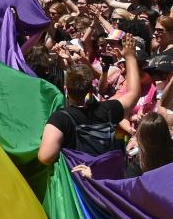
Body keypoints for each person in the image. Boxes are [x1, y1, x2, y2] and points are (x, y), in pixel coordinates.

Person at [38, 34, 141, 163]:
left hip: (78, 181)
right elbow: (134, 93)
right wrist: (130, 57)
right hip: (105, 178)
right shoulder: (107, 109)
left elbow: (45, 157)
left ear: (66, 89)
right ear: (91, 89)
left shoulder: (60, 119)